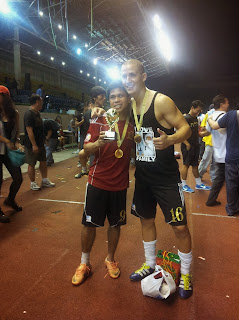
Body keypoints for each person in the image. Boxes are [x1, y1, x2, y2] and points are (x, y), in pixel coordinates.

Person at [119, 59, 193, 299]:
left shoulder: (160, 101)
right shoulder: (127, 105)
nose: (127, 80)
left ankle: (187, 275)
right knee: (146, 220)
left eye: (132, 75)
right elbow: (110, 116)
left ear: (143, 76)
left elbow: (186, 128)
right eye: (124, 76)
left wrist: (171, 140)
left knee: (180, 227)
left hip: (166, 179)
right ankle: (150, 263)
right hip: (143, 177)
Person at [72, 81, 134, 285]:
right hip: (97, 180)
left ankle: (110, 258)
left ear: (128, 98)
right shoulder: (100, 118)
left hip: (120, 183)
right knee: (88, 224)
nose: (117, 100)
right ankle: (84, 262)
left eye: (121, 96)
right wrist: (98, 143)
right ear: (109, 100)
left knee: (115, 225)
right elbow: (86, 148)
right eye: (113, 96)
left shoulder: (135, 123)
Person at [0, 86, 23, 223]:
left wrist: (18, 142)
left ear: (5, 96)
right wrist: (7, 141)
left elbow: (17, 132)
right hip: (2, 147)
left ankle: (10, 200)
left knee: (18, 178)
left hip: (9, 151)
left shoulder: (14, 113)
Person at [24, 94, 55, 190]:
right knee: (32, 163)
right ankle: (33, 183)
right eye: (41, 101)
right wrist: (34, 145)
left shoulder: (37, 113)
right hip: (32, 145)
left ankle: (44, 180)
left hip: (40, 143)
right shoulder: (28, 114)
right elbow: (29, 131)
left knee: (43, 162)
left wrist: (44, 139)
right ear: (37, 102)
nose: (42, 103)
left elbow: (39, 129)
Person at [74, 87, 106, 179]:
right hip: (94, 145)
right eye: (102, 96)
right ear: (94, 98)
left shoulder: (107, 113)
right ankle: (85, 170)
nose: (104, 98)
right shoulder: (88, 114)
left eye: (105, 96)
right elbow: (89, 131)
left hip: (104, 145)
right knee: (94, 170)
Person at [181, 100, 211, 193]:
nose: (198, 112)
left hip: (195, 145)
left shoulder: (195, 119)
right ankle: (184, 185)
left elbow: (197, 132)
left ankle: (198, 184)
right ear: (192, 108)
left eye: (200, 111)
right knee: (186, 165)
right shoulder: (186, 118)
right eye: (197, 110)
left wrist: (203, 131)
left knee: (195, 165)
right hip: (187, 146)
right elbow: (180, 133)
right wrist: (187, 143)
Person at [205, 95, 229, 206]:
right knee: (230, 179)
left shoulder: (211, 115)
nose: (228, 104)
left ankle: (211, 200)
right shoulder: (225, 116)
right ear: (222, 104)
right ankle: (233, 203)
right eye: (227, 102)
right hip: (228, 152)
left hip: (218, 152)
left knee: (220, 179)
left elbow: (207, 131)